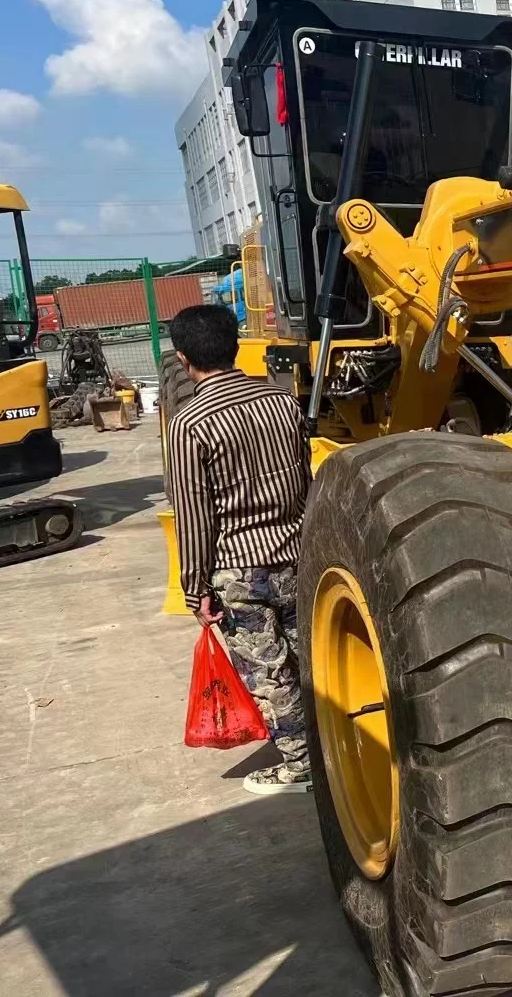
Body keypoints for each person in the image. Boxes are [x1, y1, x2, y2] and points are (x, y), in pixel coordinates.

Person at [167, 305, 313, 794]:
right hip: (297, 554)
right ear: (234, 345)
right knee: (307, 659)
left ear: (183, 358)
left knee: (269, 673)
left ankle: (302, 764)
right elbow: (303, 478)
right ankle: (332, 742)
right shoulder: (283, 403)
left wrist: (196, 588)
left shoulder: (190, 423)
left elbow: (193, 514)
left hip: (239, 569)